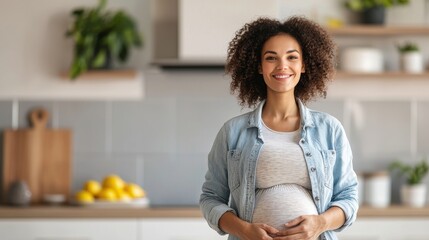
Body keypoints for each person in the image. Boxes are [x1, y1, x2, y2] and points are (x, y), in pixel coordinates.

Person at [200, 16, 358, 240]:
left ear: (303, 65)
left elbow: (349, 197)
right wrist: (243, 230)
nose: (282, 65)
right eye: (271, 58)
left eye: (292, 57)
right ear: (259, 66)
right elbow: (210, 198)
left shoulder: (329, 129)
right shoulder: (233, 132)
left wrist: (320, 223)